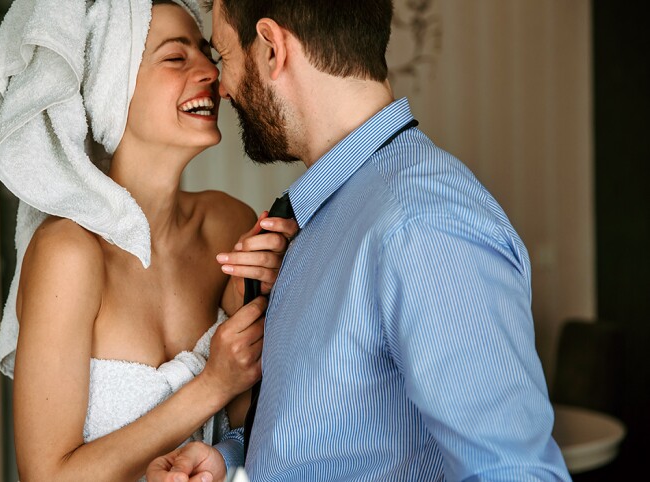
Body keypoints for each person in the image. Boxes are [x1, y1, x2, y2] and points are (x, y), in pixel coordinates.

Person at [147, 1, 572, 481]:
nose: (221, 87)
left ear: (272, 48)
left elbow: (514, 472)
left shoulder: (422, 226)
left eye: (224, 58)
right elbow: (342, 436)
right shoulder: (327, 219)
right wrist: (231, 457)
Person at [0, 0, 298, 480]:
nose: (210, 69)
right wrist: (210, 384)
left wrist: (272, 295)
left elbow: (248, 428)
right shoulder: (68, 255)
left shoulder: (228, 223)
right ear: (112, 87)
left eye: (207, 51)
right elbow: (46, 476)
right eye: (175, 57)